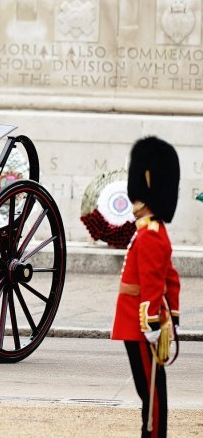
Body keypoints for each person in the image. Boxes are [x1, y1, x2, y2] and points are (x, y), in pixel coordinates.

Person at [111, 136, 181, 438]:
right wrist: (172, 316)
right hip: (137, 324)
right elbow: (172, 279)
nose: (133, 203)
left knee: (150, 391)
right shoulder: (149, 231)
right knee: (150, 389)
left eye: (137, 197)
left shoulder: (151, 234)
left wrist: (153, 324)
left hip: (140, 327)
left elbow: (155, 284)